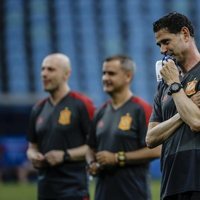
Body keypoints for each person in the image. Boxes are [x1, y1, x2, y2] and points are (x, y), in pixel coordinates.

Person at [86, 55, 161, 200]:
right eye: (104, 73)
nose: (105, 78)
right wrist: (91, 164)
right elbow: (90, 147)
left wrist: (117, 158)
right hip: (102, 194)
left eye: (111, 73)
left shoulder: (141, 109)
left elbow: (157, 150)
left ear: (128, 76)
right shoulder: (100, 112)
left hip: (133, 194)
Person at [146, 12, 200, 200]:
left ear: (185, 34)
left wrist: (175, 86)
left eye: (166, 41)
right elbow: (151, 138)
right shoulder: (164, 84)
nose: (162, 50)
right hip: (171, 182)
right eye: (159, 44)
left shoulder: (171, 82)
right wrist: (180, 116)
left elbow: (196, 121)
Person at [26, 53, 95, 200]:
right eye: (43, 69)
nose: (44, 74)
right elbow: (32, 146)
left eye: (51, 69)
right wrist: (33, 156)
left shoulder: (82, 104)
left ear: (66, 74)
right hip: (44, 191)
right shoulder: (38, 108)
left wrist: (64, 155)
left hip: (74, 191)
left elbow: (96, 146)